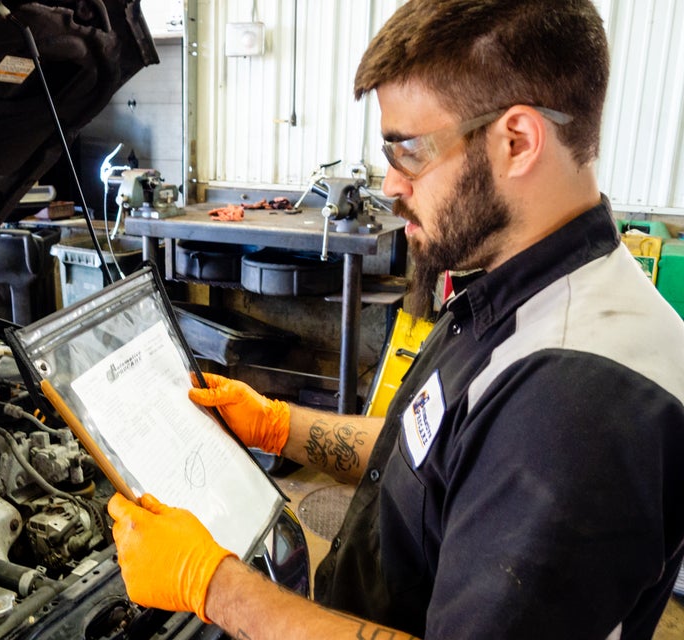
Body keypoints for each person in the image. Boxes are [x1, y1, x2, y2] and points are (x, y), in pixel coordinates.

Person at [107, 0, 684, 637]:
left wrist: (215, 586)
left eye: (407, 150)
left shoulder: (573, 410)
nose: (389, 184)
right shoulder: (522, 288)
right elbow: (438, 456)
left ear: (516, 142)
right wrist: (277, 425)